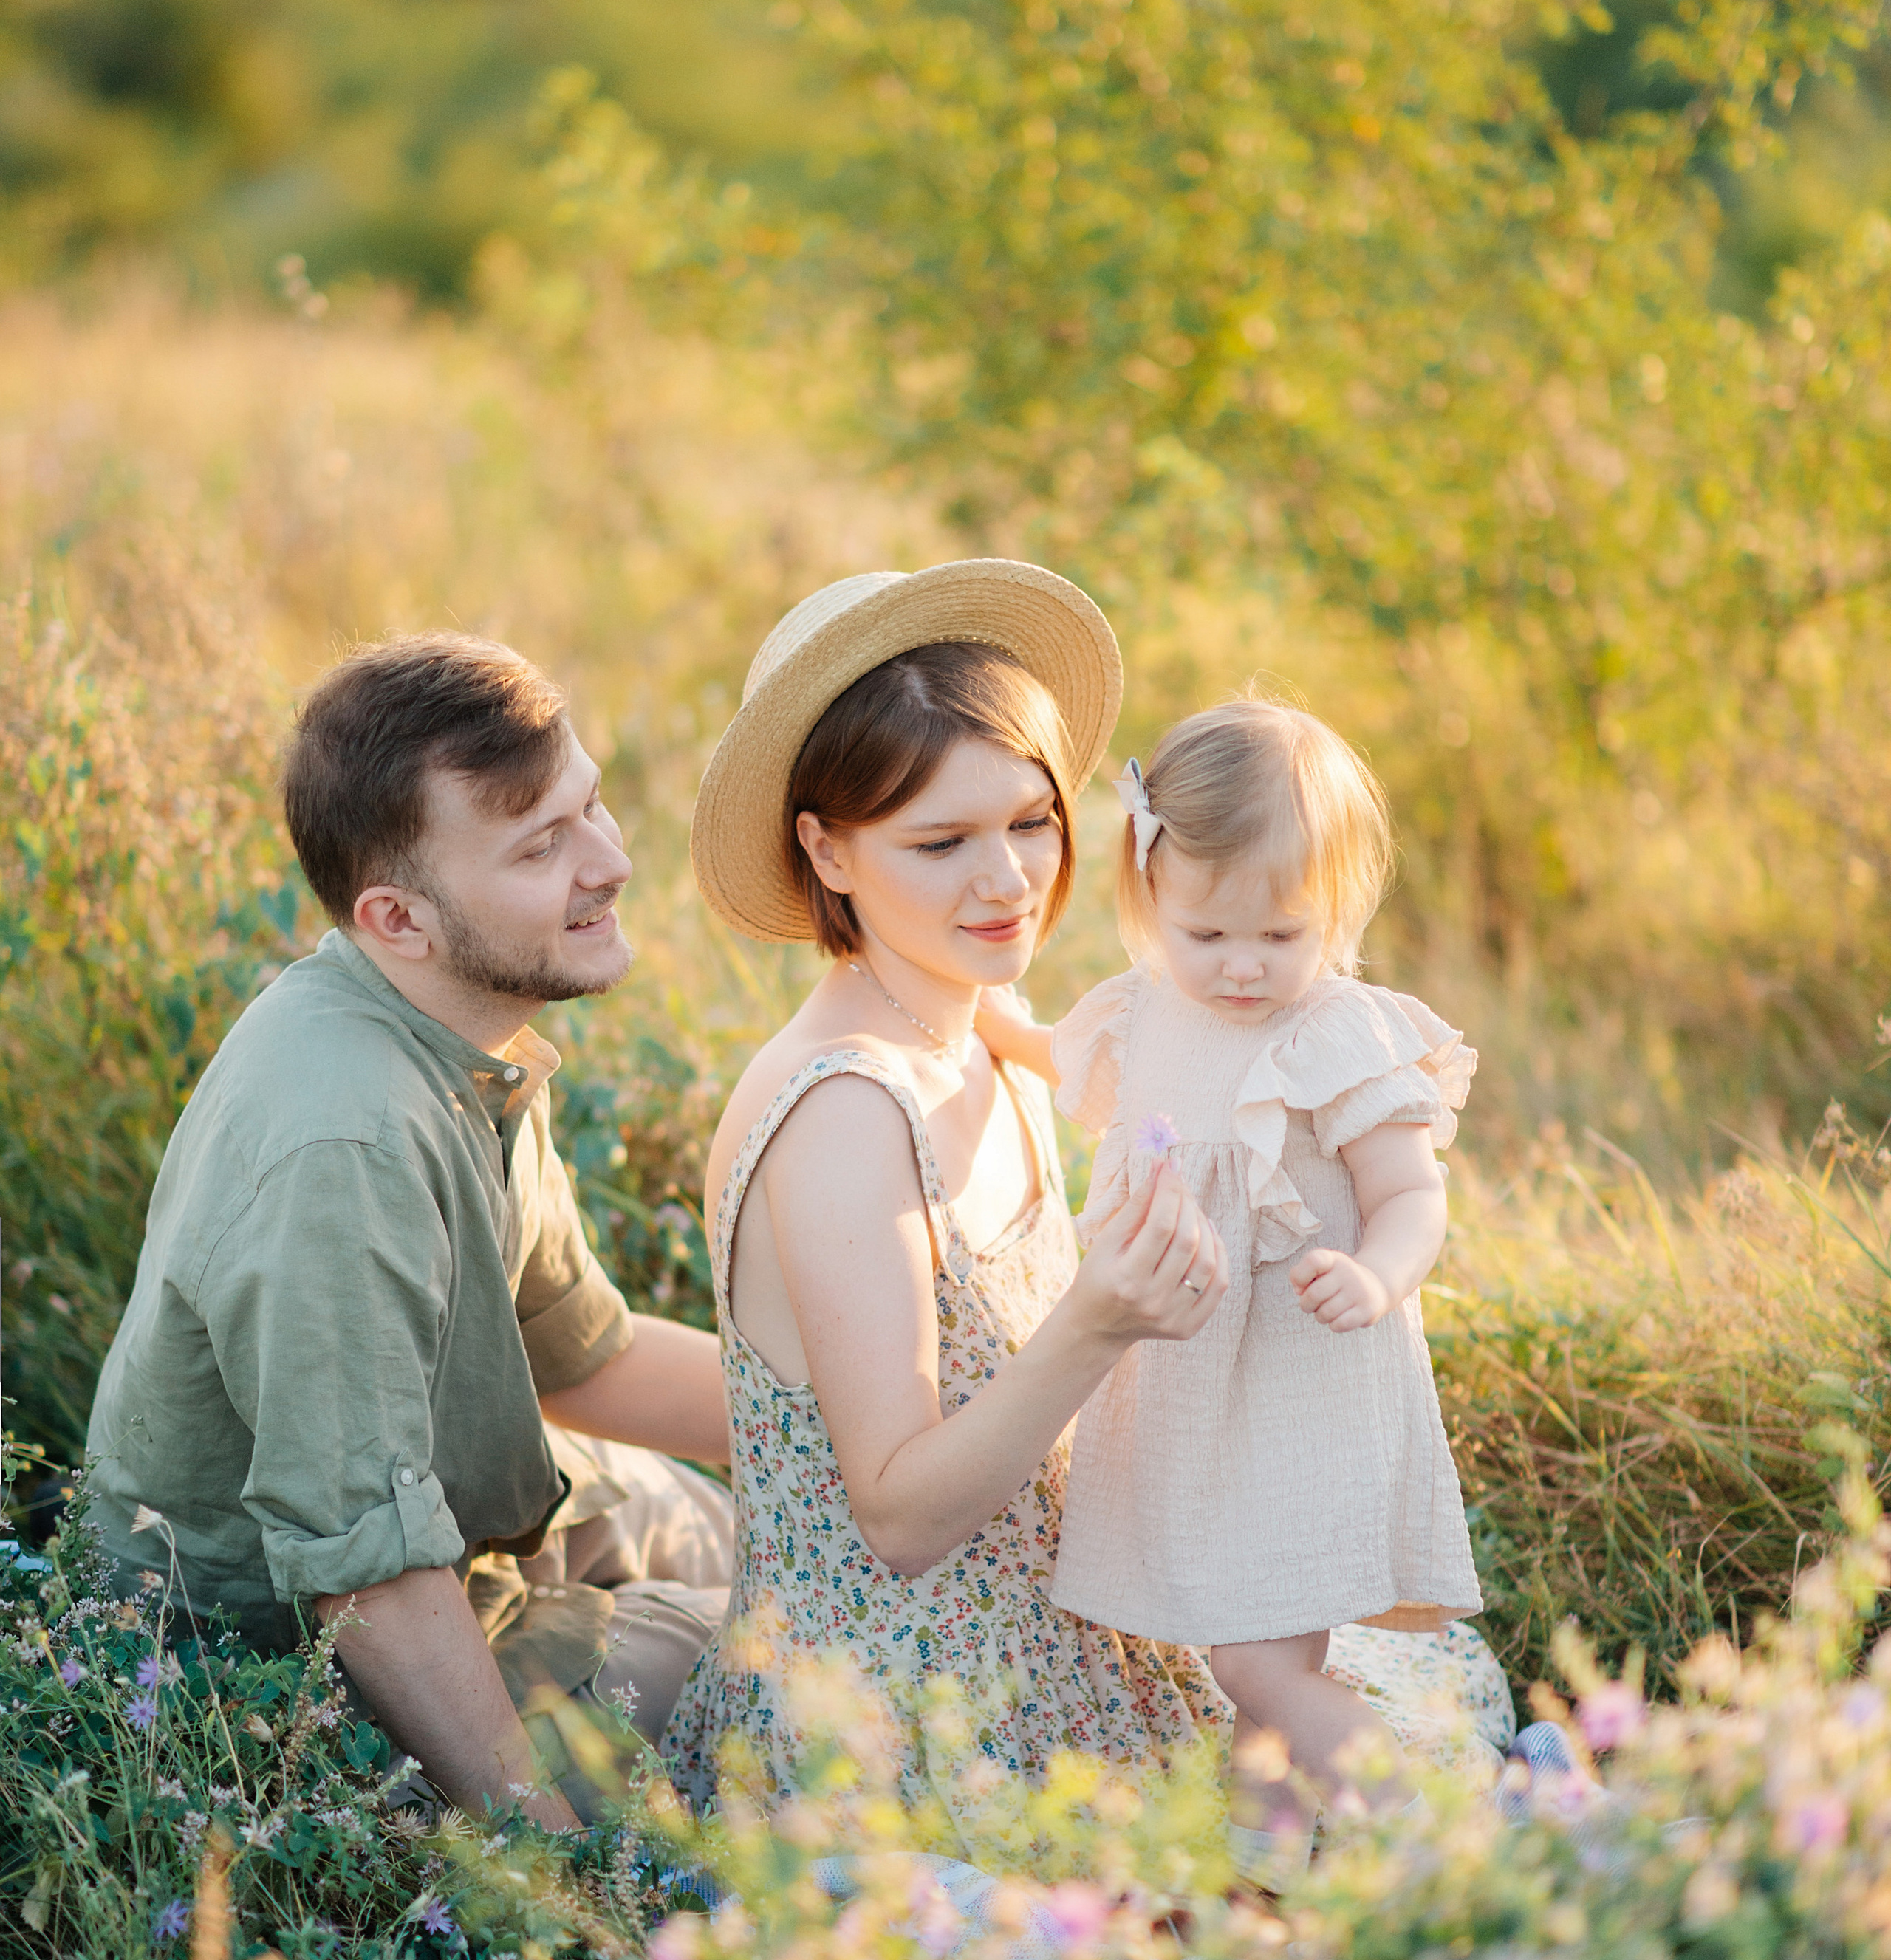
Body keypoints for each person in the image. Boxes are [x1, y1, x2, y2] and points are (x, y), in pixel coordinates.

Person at [86, 634, 734, 1831]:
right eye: (542, 847)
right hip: (288, 1677)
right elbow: (368, 1582)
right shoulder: (348, 1146)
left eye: (590, 808)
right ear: (398, 918)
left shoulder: (463, 1030)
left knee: (769, 1528)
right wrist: (551, 1872)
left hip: (467, 1527)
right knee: (786, 1673)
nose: (611, 862)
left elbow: (581, 1356)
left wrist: (877, 1446)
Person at [663, 561, 1235, 1846]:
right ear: (826, 847)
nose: (1008, 883)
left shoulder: (971, 1026)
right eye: (940, 843)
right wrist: (1097, 1323)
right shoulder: (844, 1114)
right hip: (902, 1730)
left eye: (1032, 822)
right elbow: (903, 1515)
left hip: (1064, 1653)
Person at [982, 696, 1514, 1890]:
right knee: (1270, 1671)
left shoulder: (1337, 1036)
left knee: (1255, 1662)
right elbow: (1064, 1056)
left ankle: (1448, 1833)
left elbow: (1413, 1195)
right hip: (1193, 1393)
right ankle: (1264, 1883)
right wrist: (988, 1026)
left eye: (1280, 935)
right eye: (1205, 932)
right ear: (1150, 894)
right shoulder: (1147, 1008)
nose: (1239, 967)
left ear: (1336, 910)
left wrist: (1377, 1273)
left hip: (1298, 1388)